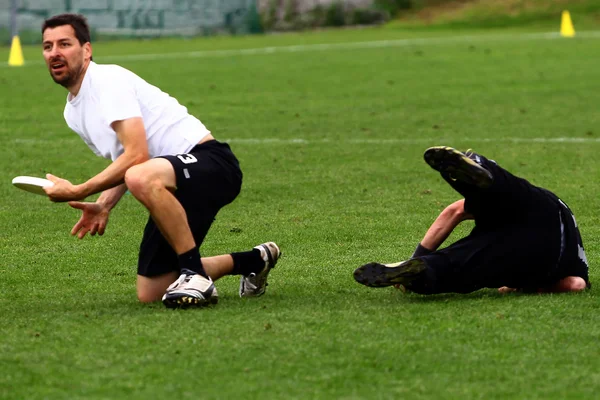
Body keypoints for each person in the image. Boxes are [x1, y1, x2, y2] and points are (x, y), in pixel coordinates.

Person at [41, 13, 280, 308]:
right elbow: (124, 159)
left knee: (140, 176)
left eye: (64, 44)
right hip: (168, 182)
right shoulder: (72, 113)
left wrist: (80, 190)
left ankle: (194, 273)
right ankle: (254, 260)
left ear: (86, 50)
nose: (55, 53)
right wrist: (103, 205)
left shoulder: (106, 81)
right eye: (48, 46)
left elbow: (137, 157)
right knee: (152, 291)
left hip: (212, 165)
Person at [354, 146, 590, 295]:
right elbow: (575, 285)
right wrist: (527, 287)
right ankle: (423, 272)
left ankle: (482, 173)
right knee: (464, 264)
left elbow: (454, 212)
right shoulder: (576, 262)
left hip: (534, 224)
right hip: (543, 249)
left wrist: (417, 255)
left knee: (504, 193)